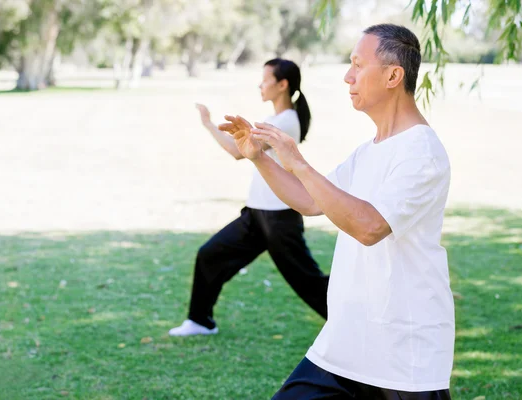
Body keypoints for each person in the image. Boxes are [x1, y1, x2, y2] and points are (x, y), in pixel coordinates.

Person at [220, 24, 454, 399]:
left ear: (394, 75)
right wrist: (260, 158)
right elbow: (312, 200)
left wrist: (298, 163)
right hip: (345, 345)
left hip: (403, 355)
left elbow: (370, 226)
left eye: (358, 65)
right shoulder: (370, 149)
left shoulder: (421, 152)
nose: (348, 76)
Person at [169, 58, 329, 337]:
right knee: (210, 255)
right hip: (257, 214)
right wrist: (211, 125)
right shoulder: (276, 120)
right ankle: (200, 320)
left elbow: (238, 151)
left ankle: (353, 320)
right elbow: (240, 147)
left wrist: (209, 124)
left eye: (266, 79)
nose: (260, 84)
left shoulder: (286, 122)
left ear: (283, 85)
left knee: (307, 281)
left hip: (279, 218)